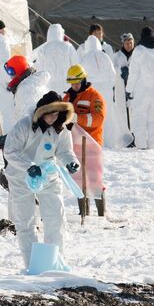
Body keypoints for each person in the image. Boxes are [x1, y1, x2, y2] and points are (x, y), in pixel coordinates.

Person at [3, 91, 77, 268]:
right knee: (26, 221)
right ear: (41, 112)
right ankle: (33, 265)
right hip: (20, 178)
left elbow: (65, 152)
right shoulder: (24, 126)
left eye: (57, 114)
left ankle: (54, 263)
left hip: (48, 177)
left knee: (55, 219)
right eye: (50, 113)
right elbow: (10, 151)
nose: (53, 118)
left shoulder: (61, 131)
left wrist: (71, 162)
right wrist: (29, 166)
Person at [63, 65, 107, 218]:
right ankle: (84, 212)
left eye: (77, 82)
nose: (74, 86)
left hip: (92, 143)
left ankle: (102, 214)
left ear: (83, 79)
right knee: (78, 178)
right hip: (75, 143)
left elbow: (98, 119)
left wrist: (78, 118)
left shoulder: (95, 97)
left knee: (95, 178)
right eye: (72, 83)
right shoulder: (68, 97)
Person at [76, 32, 124, 149]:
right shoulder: (105, 56)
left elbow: (82, 76)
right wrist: (109, 86)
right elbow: (113, 74)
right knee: (106, 115)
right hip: (106, 91)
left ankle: (94, 139)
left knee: (93, 115)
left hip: (92, 91)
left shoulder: (85, 58)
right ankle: (109, 141)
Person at [127, 26, 154, 149]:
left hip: (141, 90)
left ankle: (141, 145)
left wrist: (129, 89)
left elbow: (133, 72)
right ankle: (153, 146)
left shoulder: (139, 50)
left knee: (140, 118)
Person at [32, 24, 76, 92]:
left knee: (52, 102)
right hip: (66, 84)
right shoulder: (68, 46)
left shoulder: (43, 49)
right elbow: (76, 64)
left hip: (49, 85)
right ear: (60, 33)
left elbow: (39, 68)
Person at [112, 32, 136, 147]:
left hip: (134, 88)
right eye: (127, 43)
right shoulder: (117, 56)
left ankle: (135, 136)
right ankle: (126, 138)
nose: (129, 45)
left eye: (130, 43)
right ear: (123, 44)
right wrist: (121, 71)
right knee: (122, 112)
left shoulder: (137, 54)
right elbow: (112, 70)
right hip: (120, 89)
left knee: (134, 111)